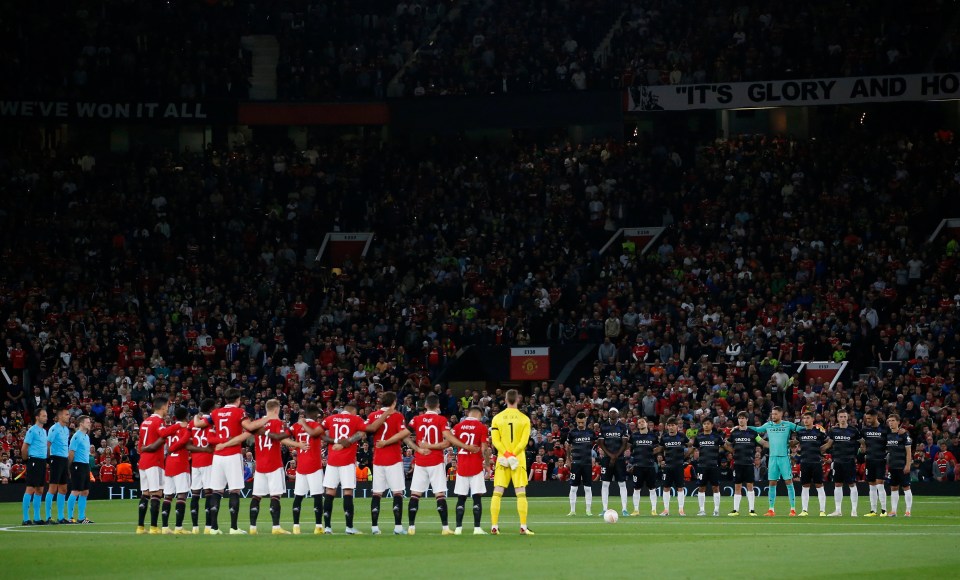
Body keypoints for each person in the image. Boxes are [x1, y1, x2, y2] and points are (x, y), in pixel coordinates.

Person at [205, 388, 273, 535]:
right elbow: (249, 427)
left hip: (217, 456)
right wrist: (266, 418)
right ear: (238, 400)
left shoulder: (215, 412)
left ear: (225, 399)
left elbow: (202, 423)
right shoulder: (239, 412)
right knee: (234, 490)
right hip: (232, 454)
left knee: (217, 491)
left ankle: (214, 528)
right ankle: (234, 528)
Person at [320, 402, 394, 534]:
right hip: (347, 461)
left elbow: (320, 432)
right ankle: (349, 527)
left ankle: (327, 527)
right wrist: (385, 415)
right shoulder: (355, 419)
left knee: (329, 493)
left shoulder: (330, 418)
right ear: (353, 411)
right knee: (347, 493)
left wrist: (335, 441)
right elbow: (370, 429)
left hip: (332, 460)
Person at [423, 405, 487, 535]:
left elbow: (447, 443)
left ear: (468, 413)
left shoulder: (457, 427)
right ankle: (477, 528)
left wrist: (429, 446)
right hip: (475, 465)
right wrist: (487, 463)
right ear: (479, 415)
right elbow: (484, 449)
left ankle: (458, 528)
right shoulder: (482, 428)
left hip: (462, 466)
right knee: (477, 497)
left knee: (461, 498)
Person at [249, 399, 307, 534]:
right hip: (274, 464)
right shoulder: (276, 422)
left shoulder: (257, 424)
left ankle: (252, 528)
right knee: (275, 496)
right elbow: (281, 438)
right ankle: (276, 527)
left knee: (256, 496)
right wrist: (298, 444)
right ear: (276, 409)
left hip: (260, 465)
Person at [368, 391, 417, 535]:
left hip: (378, 459)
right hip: (393, 458)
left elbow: (367, 430)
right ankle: (397, 527)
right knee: (397, 492)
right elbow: (404, 435)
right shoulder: (397, 416)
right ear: (394, 402)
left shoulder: (372, 416)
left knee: (377, 493)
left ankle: (374, 528)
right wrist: (416, 448)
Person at [407, 394, 455, 535]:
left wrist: (418, 448)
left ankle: (411, 528)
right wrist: (432, 446)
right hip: (435, 461)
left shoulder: (416, 419)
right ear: (438, 406)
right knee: (439, 494)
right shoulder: (441, 420)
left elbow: (404, 435)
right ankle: (445, 528)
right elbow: (448, 442)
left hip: (421, 461)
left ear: (425, 405)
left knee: (415, 493)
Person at [490, 389, 534, 535]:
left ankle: (494, 526)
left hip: (502, 459)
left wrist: (507, 454)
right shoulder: (524, 419)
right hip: (518, 459)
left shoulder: (497, 418)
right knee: (521, 493)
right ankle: (523, 526)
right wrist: (513, 455)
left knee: (497, 492)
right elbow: (524, 441)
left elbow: (495, 441)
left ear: (505, 399)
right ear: (518, 400)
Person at [151, 407, 200, 534]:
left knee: (168, 496)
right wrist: (173, 447)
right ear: (186, 416)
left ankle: (165, 527)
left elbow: (163, 434)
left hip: (169, 464)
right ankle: (178, 528)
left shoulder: (171, 428)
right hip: (181, 464)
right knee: (181, 495)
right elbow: (184, 441)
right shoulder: (185, 429)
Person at [749, 406, 800, 516]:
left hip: (784, 457)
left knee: (788, 482)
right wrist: (743, 427)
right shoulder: (768, 425)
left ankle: (793, 509)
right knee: (772, 482)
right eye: (772, 414)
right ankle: (771, 509)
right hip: (772, 458)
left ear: (781, 414)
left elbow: (801, 430)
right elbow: (757, 430)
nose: (773, 416)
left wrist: (813, 428)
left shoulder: (787, 424)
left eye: (776, 414)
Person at [136, 396, 169, 534]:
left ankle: (140, 527)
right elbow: (163, 435)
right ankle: (154, 527)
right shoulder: (159, 421)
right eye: (167, 406)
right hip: (154, 461)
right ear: (162, 407)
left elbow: (140, 445)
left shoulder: (145, 422)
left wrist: (145, 450)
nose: (168, 409)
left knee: (145, 493)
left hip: (143, 461)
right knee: (157, 493)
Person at [290, 403, 325, 535]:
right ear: (315, 414)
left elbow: (283, 436)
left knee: (298, 497)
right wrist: (304, 424)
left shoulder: (295, 426)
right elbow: (313, 433)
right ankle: (318, 526)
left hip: (301, 466)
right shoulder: (316, 425)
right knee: (317, 496)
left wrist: (296, 444)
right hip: (314, 466)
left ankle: (296, 527)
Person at [725, 411, 766, 516]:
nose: (741, 420)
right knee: (737, 486)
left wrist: (774, 446)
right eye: (739, 418)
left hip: (748, 463)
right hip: (738, 463)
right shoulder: (734, 433)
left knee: (750, 486)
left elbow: (762, 442)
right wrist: (733, 451)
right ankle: (735, 510)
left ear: (747, 419)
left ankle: (752, 510)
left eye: (743, 418)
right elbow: (727, 444)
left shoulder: (752, 433)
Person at [823, 409, 862, 516]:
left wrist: (861, 451)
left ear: (848, 417)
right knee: (838, 484)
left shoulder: (853, 430)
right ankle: (838, 510)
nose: (843, 419)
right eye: (841, 417)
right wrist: (819, 448)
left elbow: (862, 442)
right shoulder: (833, 430)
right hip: (837, 461)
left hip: (849, 460)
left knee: (852, 484)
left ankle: (854, 510)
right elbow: (829, 444)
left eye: (845, 417)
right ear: (837, 417)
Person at [189, 398, 216, 534]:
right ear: (211, 409)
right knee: (209, 493)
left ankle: (194, 528)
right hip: (208, 460)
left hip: (195, 462)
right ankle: (208, 527)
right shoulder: (212, 422)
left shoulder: (192, 423)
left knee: (195, 493)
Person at [796, 412, 829, 516]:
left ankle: (822, 511)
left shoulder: (819, 431)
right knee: (805, 486)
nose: (805, 420)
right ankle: (804, 510)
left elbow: (828, 442)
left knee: (819, 485)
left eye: (808, 418)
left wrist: (821, 451)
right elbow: (798, 446)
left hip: (816, 462)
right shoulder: (800, 432)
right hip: (804, 462)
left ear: (813, 419)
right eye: (804, 418)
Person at [598, 407, 630, 517]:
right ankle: (604, 509)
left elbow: (624, 443)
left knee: (622, 483)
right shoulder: (603, 426)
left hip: (619, 458)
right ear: (608, 414)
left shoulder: (622, 426)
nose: (612, 413)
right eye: (610, 412)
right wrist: (611, 455)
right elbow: (601, 443)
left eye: (614, 412)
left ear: (617, 414)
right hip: (607, 458)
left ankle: (624, 509)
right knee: (605, 483)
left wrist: (615, 456)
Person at [693, 417, 725, 516]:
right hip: (702, 466)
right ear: (702, 426)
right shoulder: (699, 437)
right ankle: (702, 510)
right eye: (704, 424)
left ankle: (716, 510)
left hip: (714, 465)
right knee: (701, 487)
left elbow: (724, 447)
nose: (706, 425)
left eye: (708, 423)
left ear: (712, 425)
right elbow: (694, 449)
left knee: (716, 487)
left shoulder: (717, 437)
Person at [628, 416, 660, 516]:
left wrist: (651, 453)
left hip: (650, 465)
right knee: (637, 488)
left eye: (642, 422)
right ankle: (636, 510)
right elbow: (629, 448)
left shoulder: (653, 436)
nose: (641, 423)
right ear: (637, 425)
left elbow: (658, 448)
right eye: (639, 422)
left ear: (646, 423)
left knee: (652, 488)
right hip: (638, 466)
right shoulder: (634, 436)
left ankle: (654, 510)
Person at [657, 416, 689, 516]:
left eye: (673, 425)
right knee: (666, 488)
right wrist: (661, 458)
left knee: (680, 488)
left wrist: (685, 457)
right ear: (667, 427)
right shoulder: (664, 437)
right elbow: (661, 449)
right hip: (668, 466)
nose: (671, 427)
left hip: (679, 466)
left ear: (676, 426)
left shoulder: (682, 436)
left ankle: (681, 510)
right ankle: (666, 510)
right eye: (669, 425)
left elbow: (691, 446)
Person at [565, 412, 596, 516]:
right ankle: (572, 510)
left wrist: (594, 457)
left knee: (588, 488)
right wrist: (568, 459)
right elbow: (568, 446)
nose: (581, 424)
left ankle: (588, 510)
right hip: (576, 463)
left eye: (582, 422)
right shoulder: (572, 433)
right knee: (573, 488)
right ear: (576, 421)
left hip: (587, 463)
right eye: (579, 422)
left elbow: (597, 445)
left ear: (586, 420)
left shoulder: (591, 432)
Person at [861, 409, 890, 517]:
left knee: (880, 485)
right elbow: (862, 443)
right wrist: (862, 447)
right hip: (869, 460)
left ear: (875, 416)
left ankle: (884, 510)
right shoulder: (865, 430)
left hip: (880, 460)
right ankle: (873, 510)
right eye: (866, 418)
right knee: (871, 486)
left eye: (869, 418)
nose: (867, 420)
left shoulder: (884, 429)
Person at [21, 408, 48, 526]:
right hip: (34, 461)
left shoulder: (44, 431)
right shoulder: (32, 430)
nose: (46, 417)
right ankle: (26, 518)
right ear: (37, 417)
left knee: (40, 489)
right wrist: (26, 461)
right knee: (30, 488)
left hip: (42, 462)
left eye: (46, 415)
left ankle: (37, 518)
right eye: (43, 416)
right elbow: (24, 448)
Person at [46, 407, 71, 524]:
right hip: (55, 459)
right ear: (60, 416)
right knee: (52, 488)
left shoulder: (66, 429)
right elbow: (48, 443)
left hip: (64, 459)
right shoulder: (54, 428)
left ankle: (60, 517)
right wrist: (47, 460)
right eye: (66, 414)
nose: (69, 416)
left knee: (63, 488)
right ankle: (48, 517)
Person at [66, 415, 93, 524]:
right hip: (77, 465)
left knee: (85, 491)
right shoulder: (76, 436)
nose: (89, 423)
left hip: (85, 465)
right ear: (81, 423)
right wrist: (68, 468)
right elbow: (71, 453)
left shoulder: (86, 436)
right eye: (87, 422)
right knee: (76, 490)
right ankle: (70, 517)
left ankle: (81, 517)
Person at [885, 414, 913, 517]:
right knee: (893, 488)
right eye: (889, 421)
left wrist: (908, 465)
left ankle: (908, 511)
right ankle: (893, 511)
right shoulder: (887, 435)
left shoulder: (904, 435)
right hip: (892, 466)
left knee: (906, 487)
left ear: (898, 422)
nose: (891, 422)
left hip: (902, 466)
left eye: (893, 420)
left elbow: (909, 452)